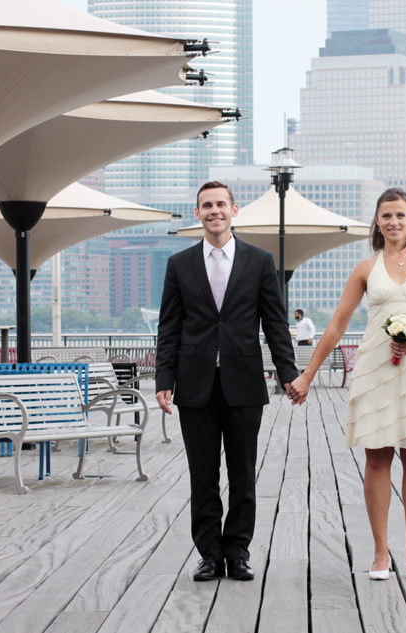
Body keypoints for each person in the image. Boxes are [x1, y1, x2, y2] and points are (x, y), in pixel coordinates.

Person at [288, 188, 406, 581]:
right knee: (377, 458)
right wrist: (307, 374)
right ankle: (381, 552)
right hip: (376, 368)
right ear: (377, 221)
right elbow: (336, 325)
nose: (394, 222)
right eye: (386, 216)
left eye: (400, 215)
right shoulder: (366, 268)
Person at [155, 181, 298, 582]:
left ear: (235, 210)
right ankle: (209, 554)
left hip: (243, 382)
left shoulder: (259, 261)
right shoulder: (179, 264)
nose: (214, 210)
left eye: (220, 204)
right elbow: (169, 327)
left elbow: (275, 323)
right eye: (206, 205)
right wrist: (164, 378)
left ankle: (237, 551)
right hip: (194, 383)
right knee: (203, 476)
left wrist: (288, 374)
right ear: (197, 212)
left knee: (242, 474)